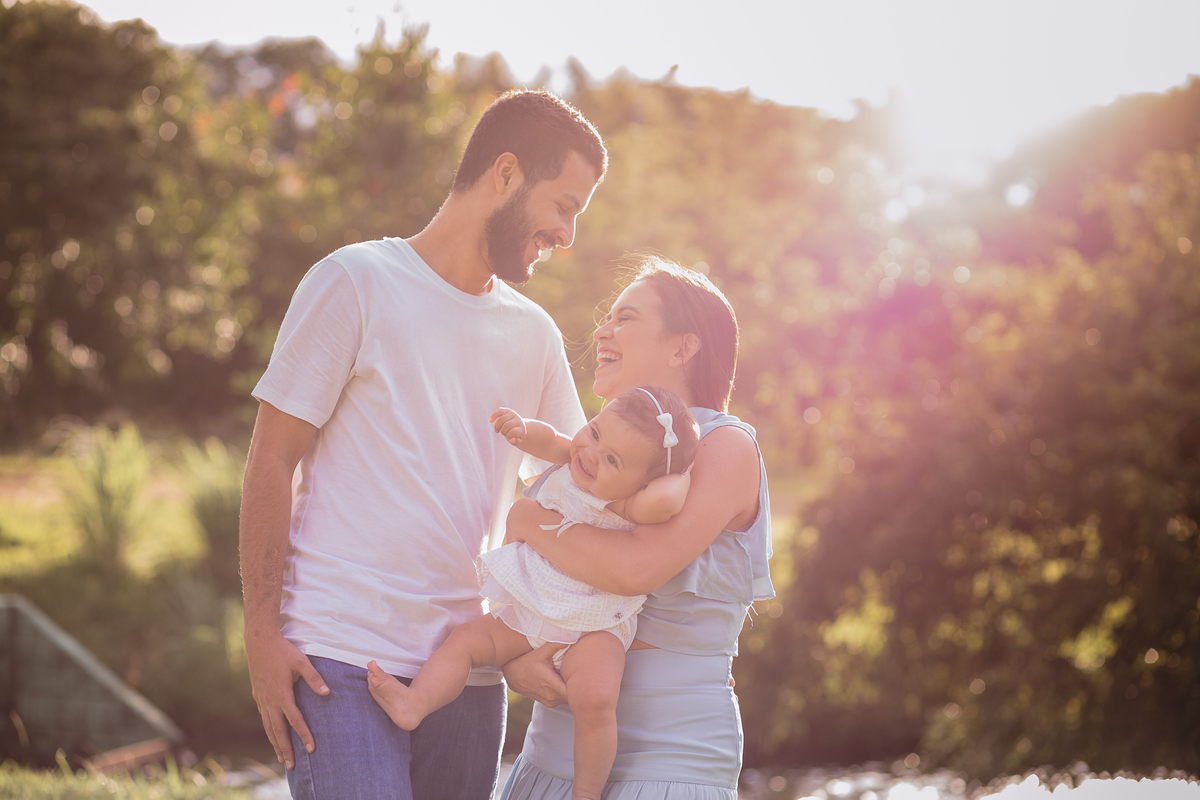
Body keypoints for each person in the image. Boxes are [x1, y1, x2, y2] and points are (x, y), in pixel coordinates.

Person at [239, 89, 606, 800]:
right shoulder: (356, 281)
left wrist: (533, 636)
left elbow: (575, 494)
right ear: (505, 174)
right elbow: (271, 461)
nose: (567, 235)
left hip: (466, 682)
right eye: (563, 205)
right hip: (338, 660)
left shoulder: (534, 334)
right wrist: (261, 636)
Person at [498, 257, 774, 799]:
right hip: (550, 760)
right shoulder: (595, 449)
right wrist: (514, 662)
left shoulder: (727, 446)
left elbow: (636, 567)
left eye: (625, 318)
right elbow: (526, 583)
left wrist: (533, 521)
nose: (603, 330)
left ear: (682, 347)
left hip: (669, 764)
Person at [365, 385, 699, 800]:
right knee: (465, 642)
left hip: (594, 626)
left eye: (612, 459)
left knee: (596, 701)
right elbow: (551, 439)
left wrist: (679, 468)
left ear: (640, 483)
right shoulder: (571, 463)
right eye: (595, 432)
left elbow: (666, 500)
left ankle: (586, 792)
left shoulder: (624, 505)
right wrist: (522, 429)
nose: (590, 454)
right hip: (529, 608)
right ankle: (415, 703)